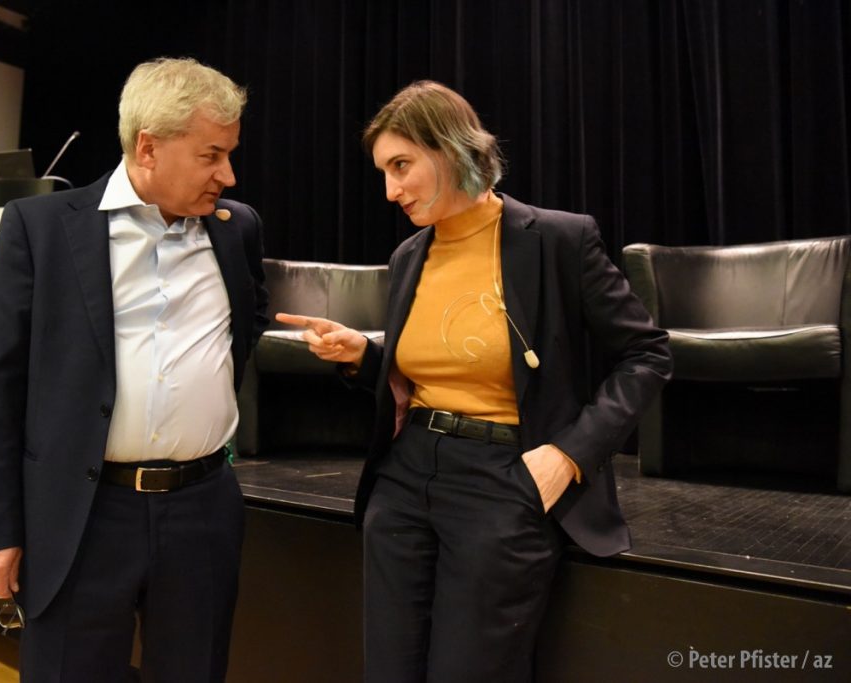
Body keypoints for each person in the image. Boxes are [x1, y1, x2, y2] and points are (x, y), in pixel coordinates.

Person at [277, 81, 672, 682]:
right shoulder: (410, 254)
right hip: (406, 477)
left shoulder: (558, 240)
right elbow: (434, 362)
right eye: (384, 171)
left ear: (451, 149)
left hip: (504, 480)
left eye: (402, 166)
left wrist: (569, 456)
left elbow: (646, 354)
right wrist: (364, 353)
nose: (390, 190)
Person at [0, 57, 268, 682]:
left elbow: (246, 326)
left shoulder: (237, 232)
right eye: (211, 155)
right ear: (148, 148)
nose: (227, 175)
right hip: (82, 512)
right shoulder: (40, 227)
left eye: (230, 155)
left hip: (203, 510)